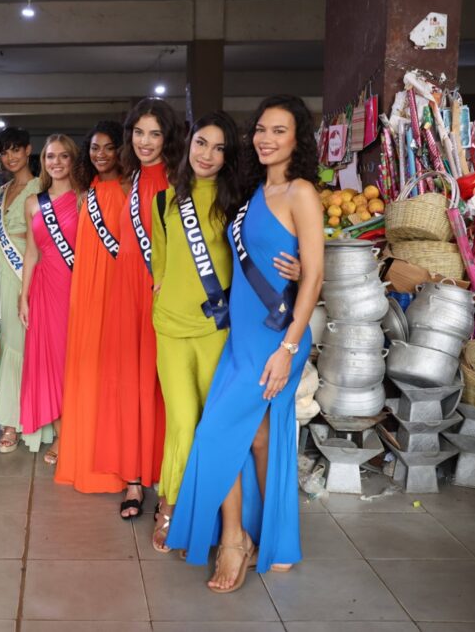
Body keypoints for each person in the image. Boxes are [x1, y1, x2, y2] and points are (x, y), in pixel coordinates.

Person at [166, 95, 324, 593]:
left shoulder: (301, 192)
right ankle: (267, 537)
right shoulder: (252, 191)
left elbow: (315, 276)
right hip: (241, 337)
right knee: (255, 438)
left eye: (279, 130)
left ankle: (235, 541)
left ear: (297, 139)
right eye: (260, 129)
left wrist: (288, 349)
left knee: (217, 434)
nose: (266, 139)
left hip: (276, 340)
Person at [149, 113, 300, 552]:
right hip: (170, 329)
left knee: (212, 426)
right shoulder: (163, 202)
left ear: (229, 155)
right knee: (181, 421)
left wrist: (300, 269)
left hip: (218, 330)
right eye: (201, 143)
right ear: (188, 144)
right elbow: (160, 267)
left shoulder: (240, 203)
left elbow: (265, 254)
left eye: (219, 148)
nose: (207, 155)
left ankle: (213, 518)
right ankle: (172, 505)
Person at [94, 99, 185, 519]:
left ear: (168, 137)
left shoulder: (179, 179)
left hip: (161, 291)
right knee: (130, 384)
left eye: (155, 133)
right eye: (138, 132)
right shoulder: (129, 179)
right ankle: (133, 478)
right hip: (125, 292)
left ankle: (166, 477)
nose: (145, 142)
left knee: (165, 387)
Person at [54, 120, 129, 495]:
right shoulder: (88, 190)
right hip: (86, 292)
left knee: (111, 375)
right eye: (95, 148)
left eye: (109, 147)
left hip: (115, 292)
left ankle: (112, 463)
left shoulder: (129, 189)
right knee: (86, 372)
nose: (101, 154)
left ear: (121, 151)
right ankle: (82, 457)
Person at [18, 134, 87, 464]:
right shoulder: (33, 202)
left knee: (77, 361)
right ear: (43, 162)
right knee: (51, 364)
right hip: (45, 289)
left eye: (63, 156)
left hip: (78, 287)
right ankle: (62, 436)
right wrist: (23, 296)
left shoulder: (84, 198)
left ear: (73, 160)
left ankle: (82, 432)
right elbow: (31, 252)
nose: (56, 162)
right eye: (50, 156)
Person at [0, 126, 53, 453]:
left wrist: (28, 289)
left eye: (16, 149)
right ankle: (16, 417)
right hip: (0, 276)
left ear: (29, 149)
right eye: (5, 151)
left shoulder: (41, 186)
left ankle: (15, 423)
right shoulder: (1, 191)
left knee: (23, 347)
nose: (11, 156)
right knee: (7, 346)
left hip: (27, 275)